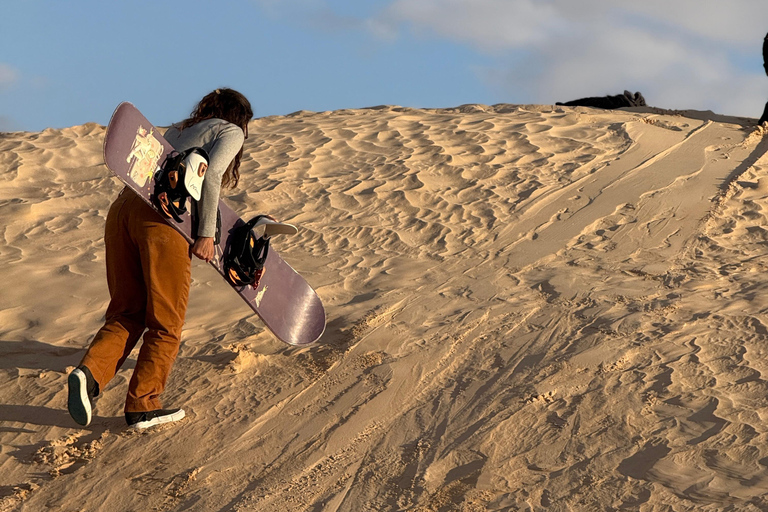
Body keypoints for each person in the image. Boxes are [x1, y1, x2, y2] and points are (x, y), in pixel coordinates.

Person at [68, 88, 253, 430]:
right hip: (162, 222)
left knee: (128, 312)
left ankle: (89, 374)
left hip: (123, 209)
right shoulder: (230, 131)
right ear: (240, 118)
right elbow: (210, 174)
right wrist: (206, 234)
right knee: (166, 321)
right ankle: (143, 405)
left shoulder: (178, 129)